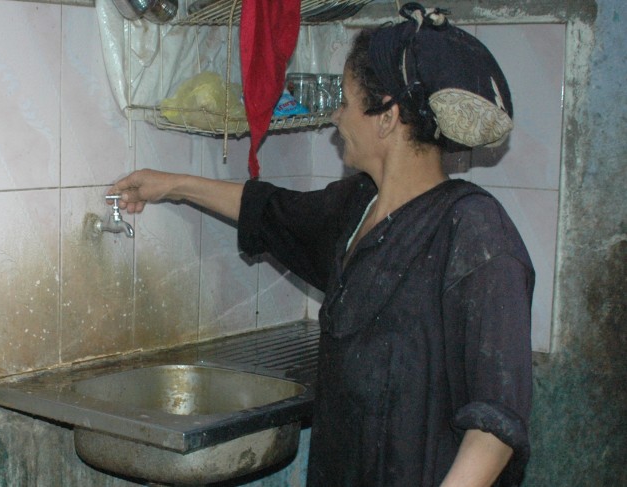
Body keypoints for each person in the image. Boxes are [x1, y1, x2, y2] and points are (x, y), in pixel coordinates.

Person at [108, 4, 533, 486]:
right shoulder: (358, 207)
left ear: (387, 117)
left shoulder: (475, 231)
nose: (335, 117)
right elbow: (271, 211)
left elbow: (495, 423)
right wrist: (173, 185)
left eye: (346, 102)